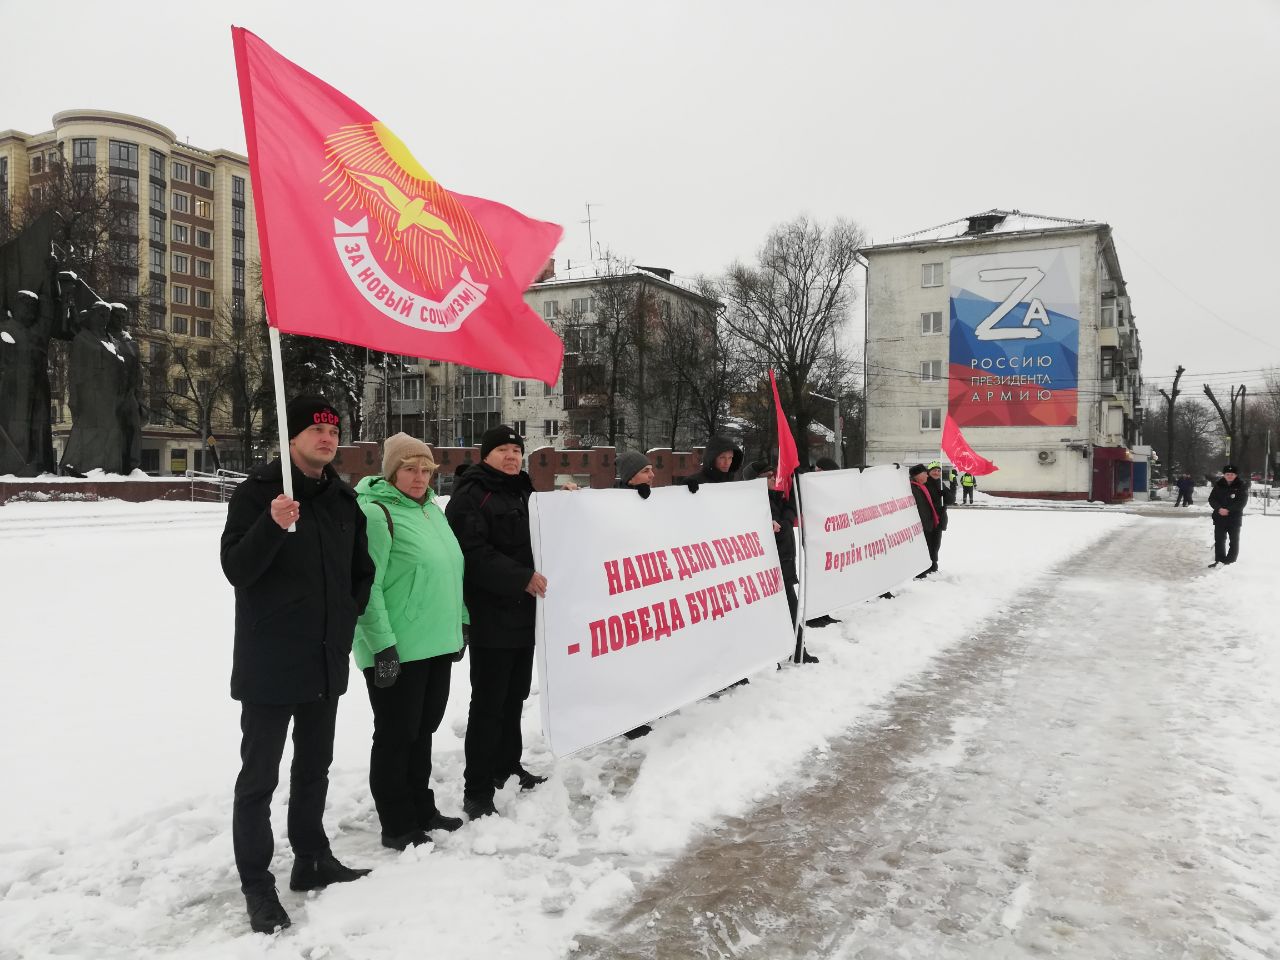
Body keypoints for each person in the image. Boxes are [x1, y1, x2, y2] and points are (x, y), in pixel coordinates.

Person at [220, 396, 376, 935]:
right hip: (270, 662)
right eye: (316, 430)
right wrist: (270, 523)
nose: (327, 439)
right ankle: (257, 886)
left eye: (333, 432)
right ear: (292, 438)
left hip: (324, 658)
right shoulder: (257, 494)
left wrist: (346, 617)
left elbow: (363, 569)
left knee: (314, 769)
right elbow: (237, 569)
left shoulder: (341, 498)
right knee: (258, 780)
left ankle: (311, 858)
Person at [354, 433, 467, 851]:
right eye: (409, 469)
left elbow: (452, 570)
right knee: (396, 735)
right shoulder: (375, 512)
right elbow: (369, 587)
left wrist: (461, 623)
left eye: (426, 470)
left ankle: (423, 808)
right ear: (391, 471)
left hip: (435, 642)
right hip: (398, 646)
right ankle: (397, 822)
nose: (419, 478)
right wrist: (382, 645)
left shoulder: (430, 511)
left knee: (423, 731)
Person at [445, 426, 548, 820]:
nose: (511, 456)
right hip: (491, 616)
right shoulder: (471, 495)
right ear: (485, 454)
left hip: (525, 616)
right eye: (503, 449)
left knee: (515, 698)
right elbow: (472, 553)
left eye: (516, 449)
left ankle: (508, 765)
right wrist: (519, 577)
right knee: (488, 704)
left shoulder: (525, 491)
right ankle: (478, 788)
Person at [745, 460, 820, 664]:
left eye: (773, 474)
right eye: (767, 476)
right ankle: (783, 653)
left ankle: (797, 650)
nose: (773, 478)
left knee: (790, 610)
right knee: (779, 612)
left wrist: (785, 521)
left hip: (783, 564)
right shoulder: (751, 502)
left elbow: (791, 508)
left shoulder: (776, 496)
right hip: (766, 568)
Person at [1208, 464, 1247, 567]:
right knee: (1219, 540)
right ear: (1224, 475)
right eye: (1227, 474)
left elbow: (1241, 502)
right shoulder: (1218, 485)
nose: (1229, 476)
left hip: (1234, 518)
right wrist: (1219, 508)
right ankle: (1219, 561)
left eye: (1232, 474)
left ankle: (1230, 562)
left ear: (1236, 475)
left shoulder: (1241, 486)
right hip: (1219, 518)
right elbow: (1212, 499)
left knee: (1234, 540)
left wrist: (1228, 510)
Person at [909, 464, 940, 578]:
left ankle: (925, 569)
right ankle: (920, 572)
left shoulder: (920, 487)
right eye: (925, 473)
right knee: (922, 549)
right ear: (918, 475)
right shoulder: (912, 488)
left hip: (927, 524)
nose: (927, 475)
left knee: (930, 548)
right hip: (920, 526)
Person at [924, 461, 949, 572]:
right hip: (929, 520)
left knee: (936, 544)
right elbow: (926, 503)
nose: (937, 472)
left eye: (939, 470)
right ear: (928, 472)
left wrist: (952, 485)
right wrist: (939, 507)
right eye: (934, 470)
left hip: (939, 519)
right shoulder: (925, 484)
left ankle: (933, 566)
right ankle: (928, 567)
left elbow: (950, 500)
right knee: (928, 544)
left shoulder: (940, 483)